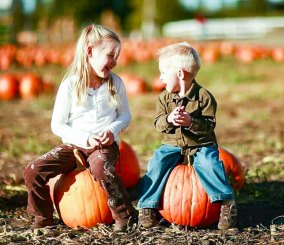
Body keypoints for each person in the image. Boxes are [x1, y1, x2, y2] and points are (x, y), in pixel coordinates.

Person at [24, 24, 137, 232]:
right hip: (74, 145)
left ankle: (125, 215)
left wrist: (111, 131)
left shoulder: (116, 83)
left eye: (117, 56)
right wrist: (85, 138)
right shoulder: (70, 85)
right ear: (90, 52)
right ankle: (43, 218)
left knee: (102, 168)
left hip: (104, 146)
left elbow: (125, 115)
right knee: (33, 171)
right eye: (110, 55)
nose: (115, 61)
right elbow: (57, 124)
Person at [137, 42, 237, 230]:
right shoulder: (164, 98)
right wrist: (169, 119)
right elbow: (158, 123)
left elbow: (209, 126)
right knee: (157, 163)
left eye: (164, 73)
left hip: (201, 144)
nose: (160, 78)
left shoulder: (204, 97)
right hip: (172, 144)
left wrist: (191, 122)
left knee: (210, 164)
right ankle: (146, 207)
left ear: (181, 74)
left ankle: (226, 203)